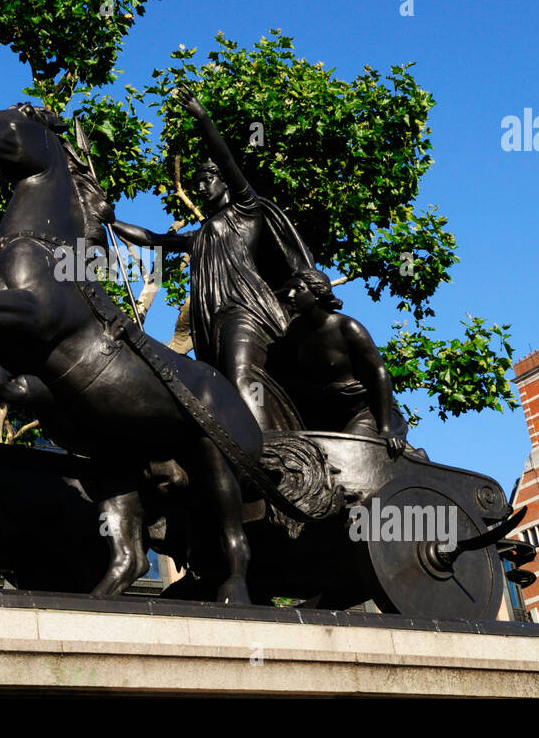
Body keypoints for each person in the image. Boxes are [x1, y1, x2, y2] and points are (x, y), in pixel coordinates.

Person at [111, 86, 313, 431]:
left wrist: (202, 118)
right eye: (197, 183)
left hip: (245, 311)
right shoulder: (199, 235)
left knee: (241, 374)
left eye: (206, 180)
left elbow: (229, 161)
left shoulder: (246, 210)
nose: (201, 188)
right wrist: (110, 219)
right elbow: (153, 239)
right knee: (218, 387)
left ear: (223, 181)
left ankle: (272, 446)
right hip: (209, 321)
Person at [273, 268, 411, 459]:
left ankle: (415, 455)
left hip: (366, 412)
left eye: (298, 289)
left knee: (345, 452)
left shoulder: (347, 327)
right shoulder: (295, 332)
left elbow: (379, 373)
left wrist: (386, 428)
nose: (290, 295)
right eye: (288, 289)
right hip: (326, 415)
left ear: (318, 294)